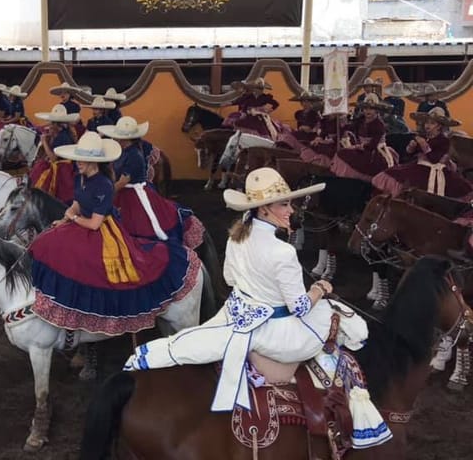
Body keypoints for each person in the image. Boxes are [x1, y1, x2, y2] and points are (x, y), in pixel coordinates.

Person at [123, 167, 392, 450]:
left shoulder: (237, 237)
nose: (291, 210)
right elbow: (299, 307)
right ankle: (356, 415)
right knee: (345, 323)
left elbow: (229, 279)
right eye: (284, 204)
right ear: (264, 210)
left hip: (238, 315)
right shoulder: (283, 251)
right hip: (275, 331)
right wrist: (319, 288)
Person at [28, 132, 200, 336]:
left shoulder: (104, 185)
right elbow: (76, 203)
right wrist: (65, 218)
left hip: (103, 231)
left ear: (94, 163)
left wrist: (72, 218)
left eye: (81, 160)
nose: (77, 163)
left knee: (90, 265)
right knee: (46, 242)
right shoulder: (80, 177)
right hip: (81, 225)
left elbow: (94, 224)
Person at [99, 116, 204, 250]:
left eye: (118, 137)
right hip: (123, 192)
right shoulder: (122, 152)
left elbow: (123, 181)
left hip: (134, 194)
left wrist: (105, 192)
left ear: (126, 139)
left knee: (142, 225)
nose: (115, 139)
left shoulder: (134, 155)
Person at [373, 107, 473, 200]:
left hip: (434, 170)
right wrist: (411, 148)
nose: (427, 125)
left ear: (439, 126)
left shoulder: (444, 140)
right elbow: (408, 155)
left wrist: (423, 144)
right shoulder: (426, 137)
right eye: (426, 123)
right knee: (392, 172)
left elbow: (434, 159)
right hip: (419, 166)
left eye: (432, 123)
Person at [331, 94, 398, 182]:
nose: (368, 111)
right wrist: (341, 122)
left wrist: (358, 147)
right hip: (361, 149)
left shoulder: (379, 125)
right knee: (342, 153)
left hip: (375, 151)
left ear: (376, 110)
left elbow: (373, 145)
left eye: (371, 108)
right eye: (366, 108)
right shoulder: (361, 120)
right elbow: (349, 127)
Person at [28, 105, 79, 204]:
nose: (49, 125)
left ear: (57, 125)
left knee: (41, 169)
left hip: (63, 168)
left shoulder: (63, 137)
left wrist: (44, 142)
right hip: (59, 164)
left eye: (51, 123)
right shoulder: (59, 133)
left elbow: (54, 158)